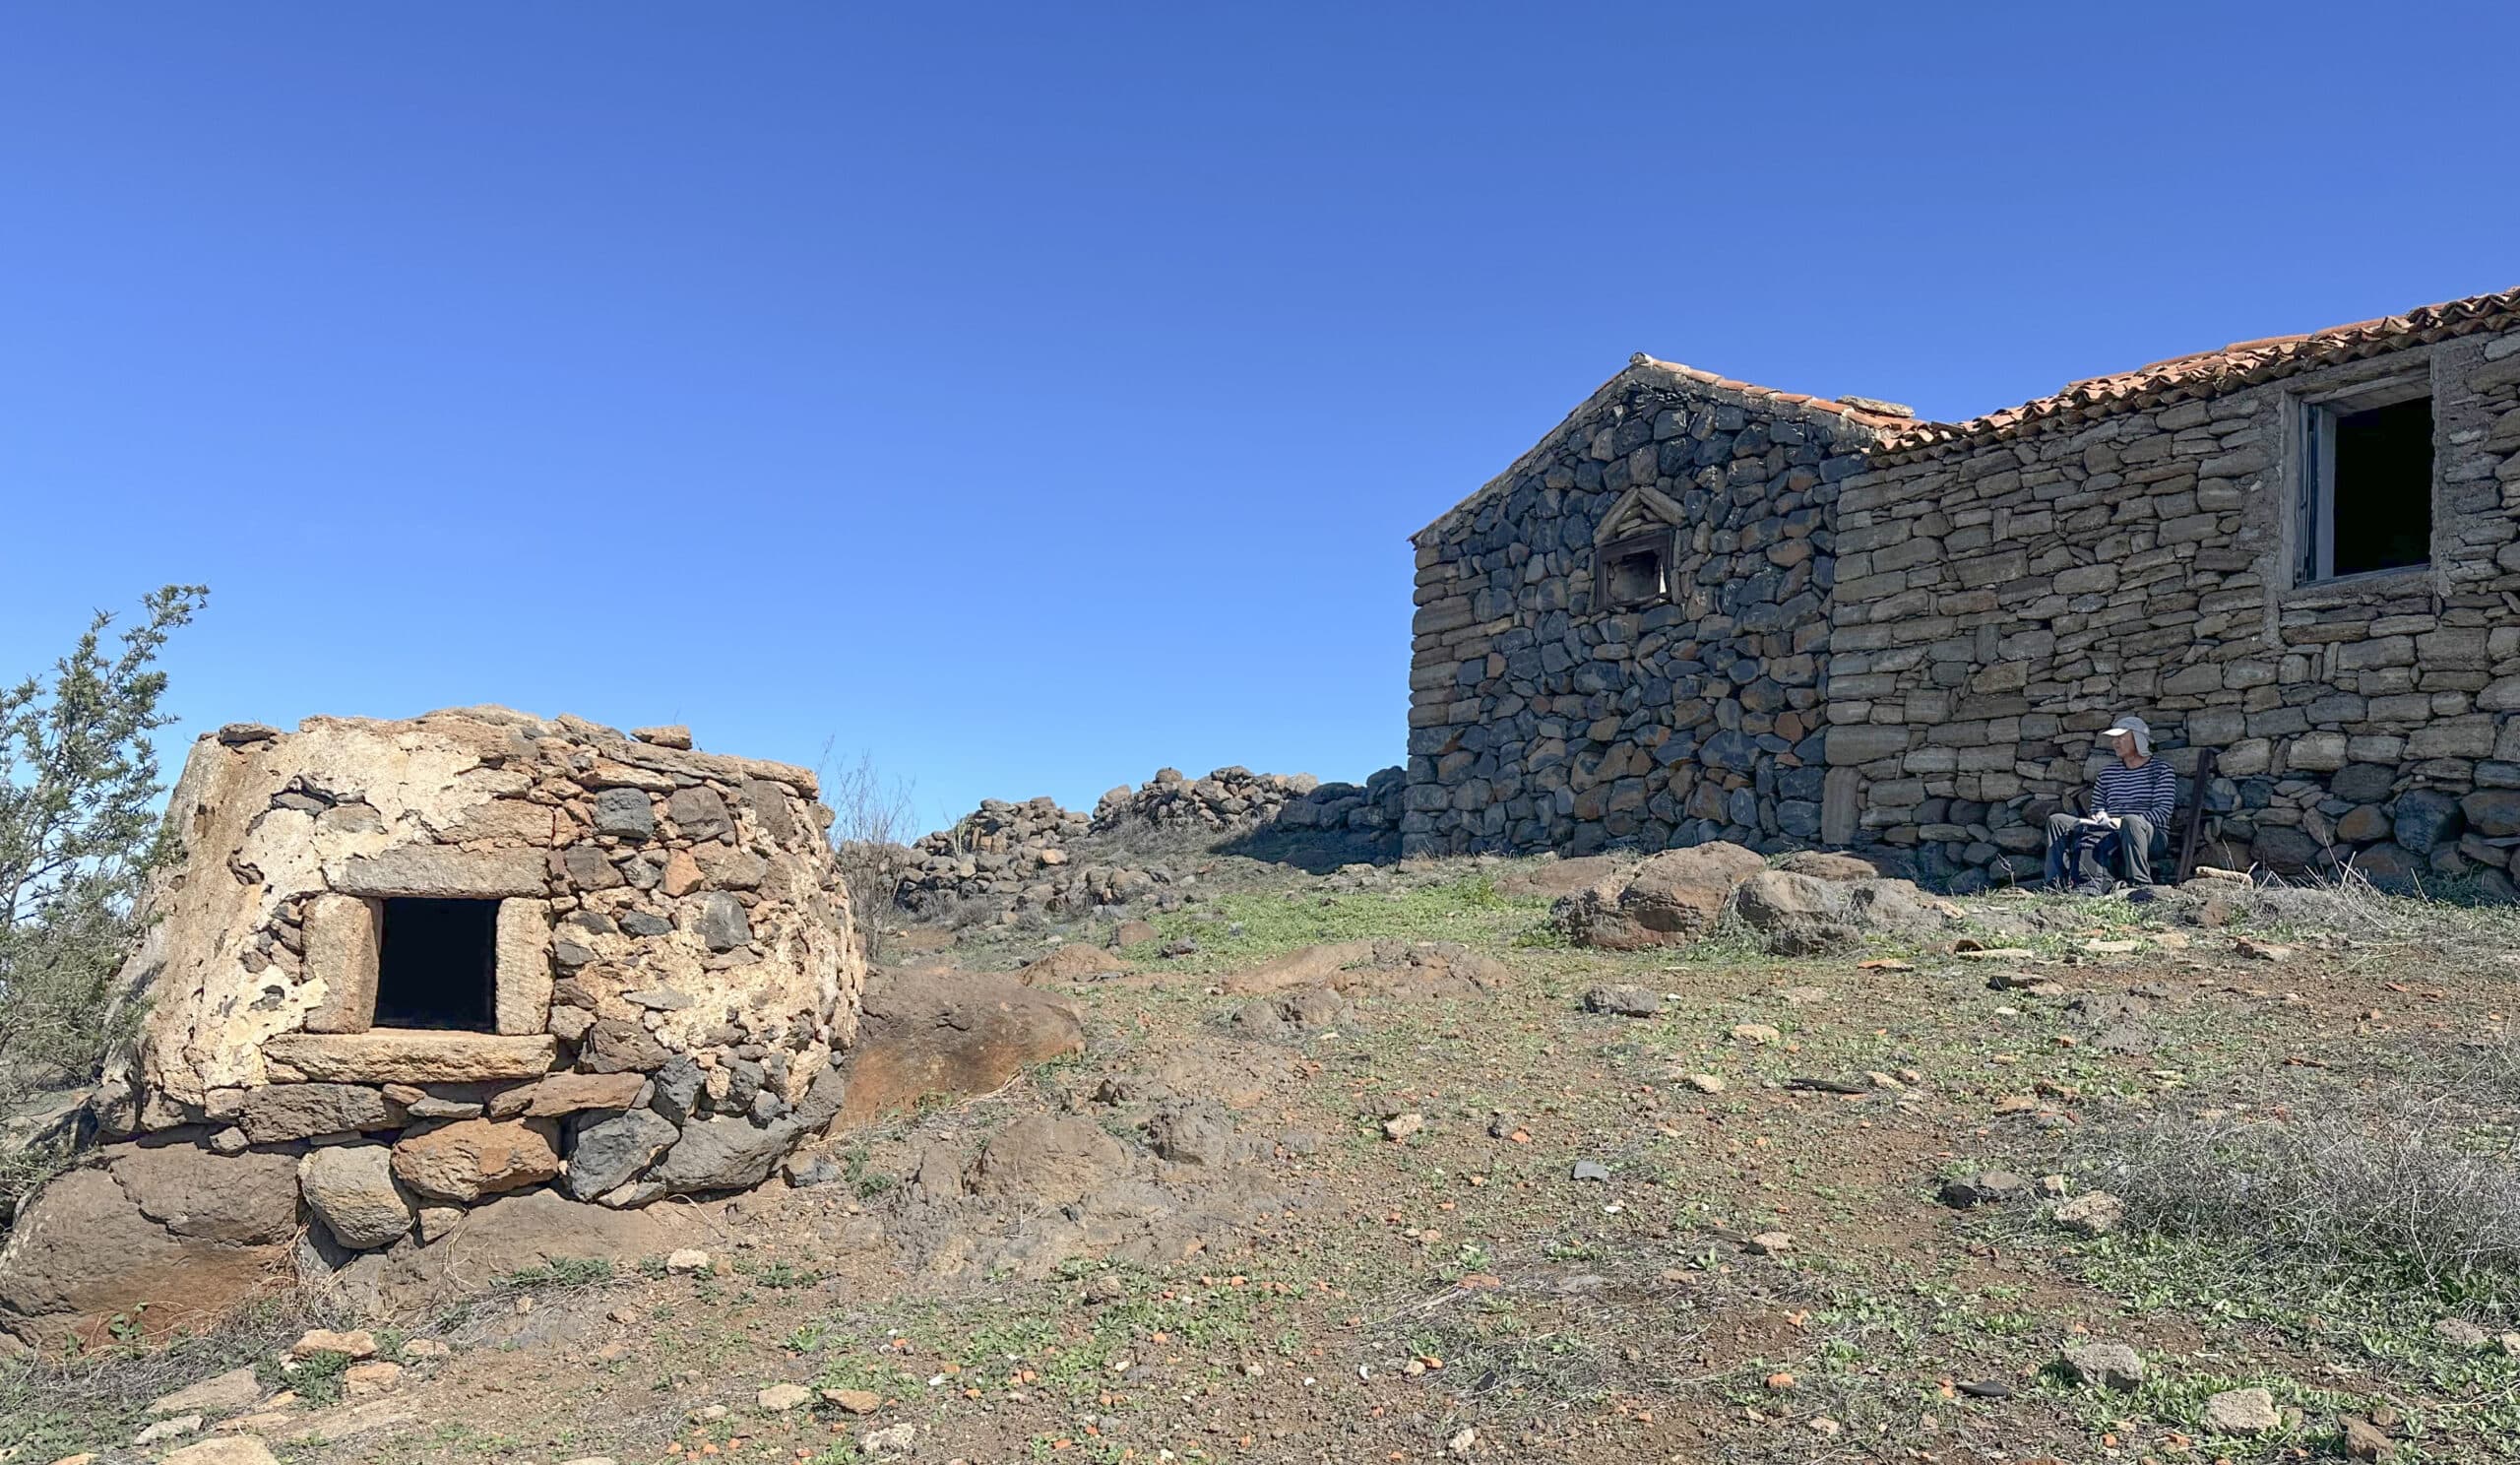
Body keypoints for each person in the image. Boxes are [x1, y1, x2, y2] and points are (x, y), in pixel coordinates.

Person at [2045, 714, 2176, 892]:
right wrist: (2099, 816)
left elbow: (2162, 814)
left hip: (2147, 835)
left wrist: (2121, 822)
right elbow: (2096, 808)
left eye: (2121, 737)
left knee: (2131, 821)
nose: (2115, 742)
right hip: (2107, 829)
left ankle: (2140, 884)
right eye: (2114, 738)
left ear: (2138, 739)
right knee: (2057, 820)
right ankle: (2055, 884)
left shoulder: (2161, 770)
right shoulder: (2108, 773)